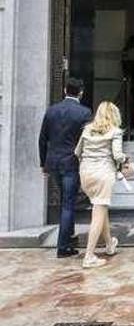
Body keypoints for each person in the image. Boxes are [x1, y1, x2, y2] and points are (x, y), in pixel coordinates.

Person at [39, 78, 92, 259]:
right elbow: (87, 141)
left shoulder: (51, 111)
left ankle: (68, 242)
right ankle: (63, 246)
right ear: (81, 92)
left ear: (64, 90)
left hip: (53, 162)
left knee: (65, 202)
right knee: (68, 204)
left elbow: (42, 139)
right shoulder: (84, 113)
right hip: (71, 162)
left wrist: (43, 163)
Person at [75, 101, 127, 269]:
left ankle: (110, 244)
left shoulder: (87, 130)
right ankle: (89, 256)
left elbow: (77, 152)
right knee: (98, 214)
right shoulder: (115, 131)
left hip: (85, 174)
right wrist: (126, 160)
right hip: (103, 174)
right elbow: (118, 156)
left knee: (100, 208)